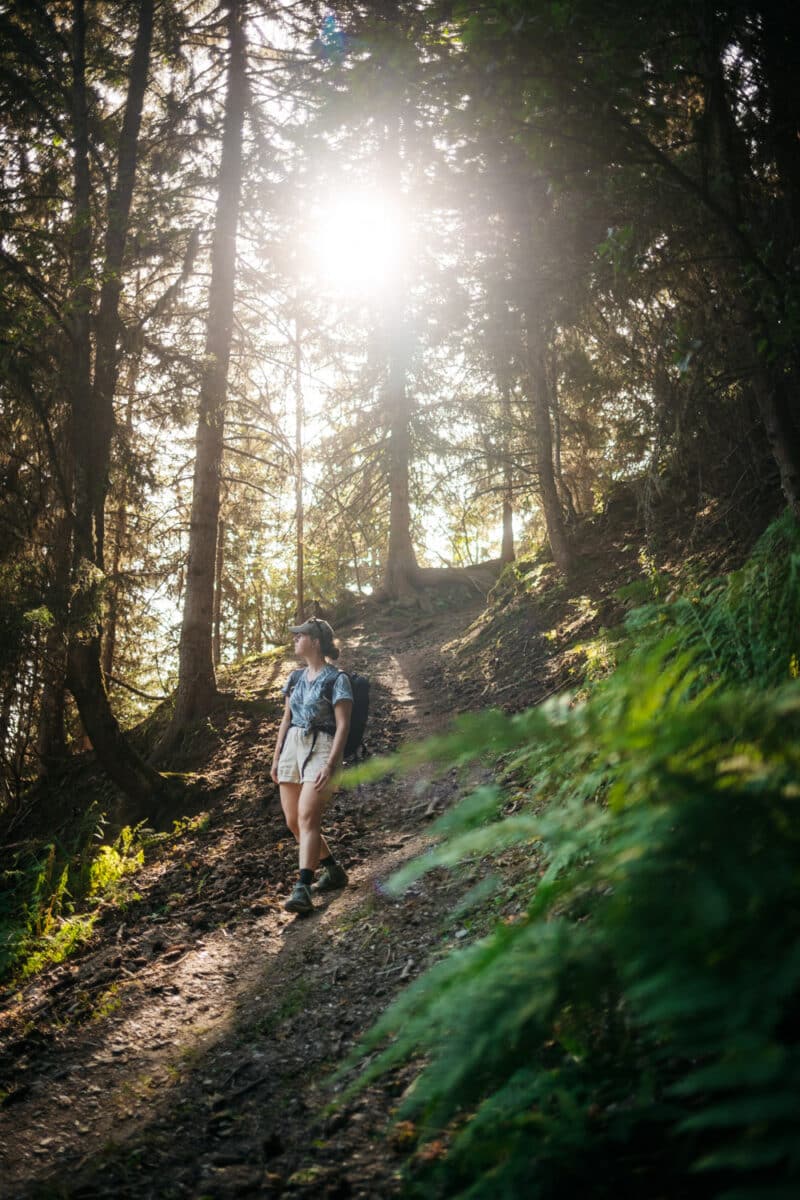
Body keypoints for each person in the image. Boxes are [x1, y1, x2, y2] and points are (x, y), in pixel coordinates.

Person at [271, 617, 353, 914]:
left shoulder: (337, 679)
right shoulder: (294, 678)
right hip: (293, 746)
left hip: (322, 746)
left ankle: (303, 887)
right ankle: (332, 871)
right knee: (294, 822)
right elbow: (286, 718)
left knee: (308, 818)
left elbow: (343, 725)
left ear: (315, 642)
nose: (294, 639)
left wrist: (332, 764)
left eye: (300, 635)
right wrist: (277, 756)